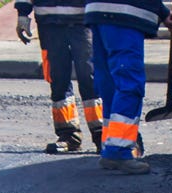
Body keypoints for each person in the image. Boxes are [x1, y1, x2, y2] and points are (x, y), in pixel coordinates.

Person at [85, 0, 172, 174]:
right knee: (129, 83)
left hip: (98, 10)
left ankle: (110, 145)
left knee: (110, 85)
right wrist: (162, 12)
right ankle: (118, 151)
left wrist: (162, 12)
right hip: (124, 11)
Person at [16, 0, 106, 153]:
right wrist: (22, 13)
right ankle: (68, 135)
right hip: (49, 22)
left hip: (83, 20)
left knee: (90, 76)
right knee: (57, 78)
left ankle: (101, 133)